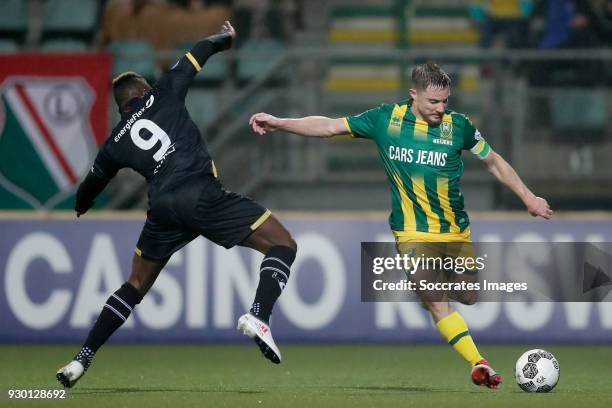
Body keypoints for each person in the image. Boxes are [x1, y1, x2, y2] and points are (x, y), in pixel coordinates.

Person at [249, 62, 553, 389]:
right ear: (414, 94)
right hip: (411, 232)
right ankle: (479, 363)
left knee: (468, 295)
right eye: (433, 102)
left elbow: (493, 161)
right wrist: (280, 123)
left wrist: (528, 196)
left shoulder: (459, 126)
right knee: (436, 300)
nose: (440, 109)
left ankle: (425, 288)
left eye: (445, 102)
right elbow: (329, 126)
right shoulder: (386, 120)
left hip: (454, 231)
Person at [56, 21, 296, 388]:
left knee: (135, 284)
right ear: (143, 91)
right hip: (200, 192)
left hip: (163, 208)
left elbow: (91, 184)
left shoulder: (115, 142)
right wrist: (225, 40)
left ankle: (81, 359)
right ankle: (259, 314)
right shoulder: (164, 92)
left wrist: (80, 206)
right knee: (282, 244)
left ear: (122, 106)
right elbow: (198, 51)